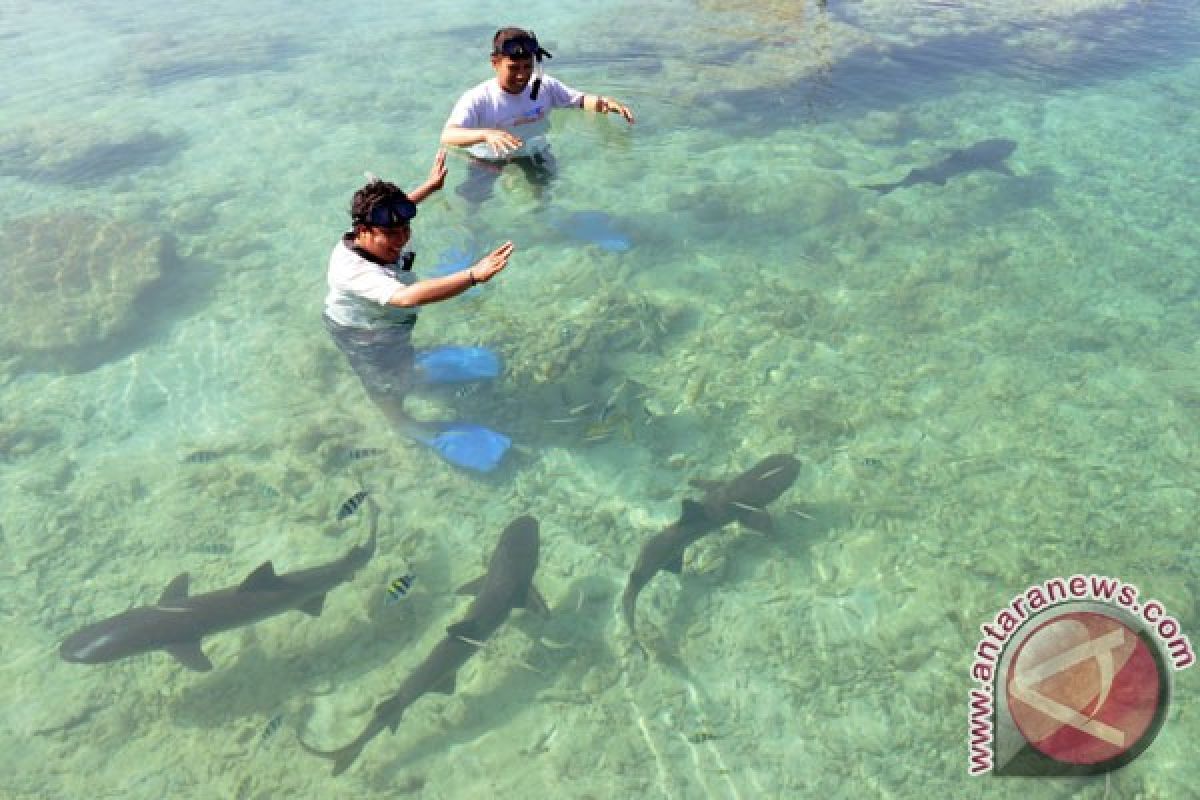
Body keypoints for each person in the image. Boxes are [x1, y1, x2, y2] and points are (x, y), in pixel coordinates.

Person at [323, 150, 516, 470]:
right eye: (390, 234)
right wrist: (472, 276)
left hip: (389, 327)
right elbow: (409, 297)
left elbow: (395, 215)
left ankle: (414, 371)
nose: (401, 238)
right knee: (385, 383)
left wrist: (428, 188)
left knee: (402, 364)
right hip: (364, 337)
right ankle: (403, 424)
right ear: (362, 232)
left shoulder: (376, 228)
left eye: (405, 229)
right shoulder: (355, 271)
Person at [441, 27, 635, 201]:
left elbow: (580, 100)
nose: (522, 75)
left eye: (527, 67)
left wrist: (606, 103)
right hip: (488, 159)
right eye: (513, 68)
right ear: (495, 63)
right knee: (473, 201)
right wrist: (486, 134)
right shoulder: (478, 98)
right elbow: (448, 135)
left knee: (544, 195)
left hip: (532, 152)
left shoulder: (544, 86)